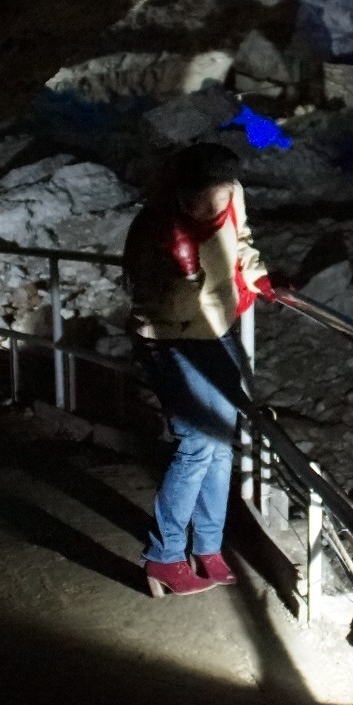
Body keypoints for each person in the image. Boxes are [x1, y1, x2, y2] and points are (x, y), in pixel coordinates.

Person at [122, 143, 275, 598]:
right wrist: (185, 280)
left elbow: (240, 241)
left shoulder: (231, 198)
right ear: (181, 193)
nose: (216, 206)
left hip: (218, 331)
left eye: (223, 194)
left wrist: (260, 276)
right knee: (197, 443)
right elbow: (146, 298)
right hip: (171, 340)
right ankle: (165, 556)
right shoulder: (153, 228)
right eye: (204, 198)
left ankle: (208, 546)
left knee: (222, 445)